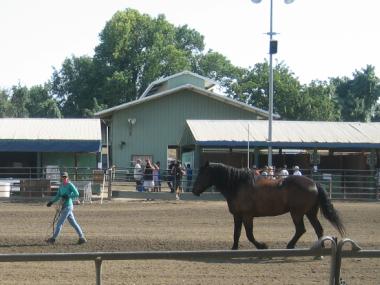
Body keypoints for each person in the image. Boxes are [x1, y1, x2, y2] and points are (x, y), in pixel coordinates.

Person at [46, 172, 86, 244]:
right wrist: (51, 202)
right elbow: (58, 196)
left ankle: (53, 238)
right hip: (63, 206)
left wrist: (68, 196)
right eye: (63, 177)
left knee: (59, 223)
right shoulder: (61, 186)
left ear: (67, 177)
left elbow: (77, 193)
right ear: (61, 178)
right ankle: (82, 237)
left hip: (68, 206)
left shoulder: (70, 185)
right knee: (73, 223)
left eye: (65, 177)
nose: (64, 178)